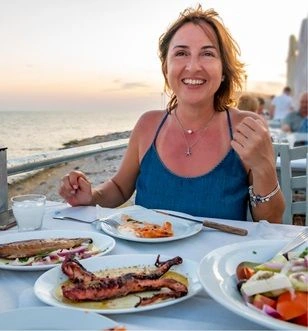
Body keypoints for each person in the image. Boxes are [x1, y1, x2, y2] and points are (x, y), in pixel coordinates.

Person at [59, 5, 285, 223]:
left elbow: (270, 220)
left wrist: (264, 167)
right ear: (166, 69)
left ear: (224, 71)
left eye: (207, 53)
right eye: (181, 53)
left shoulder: (246, 127)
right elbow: (119, 188)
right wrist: (91, 197)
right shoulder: (148, 125)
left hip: (215, 262)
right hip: (148, 262)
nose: (193, 66)